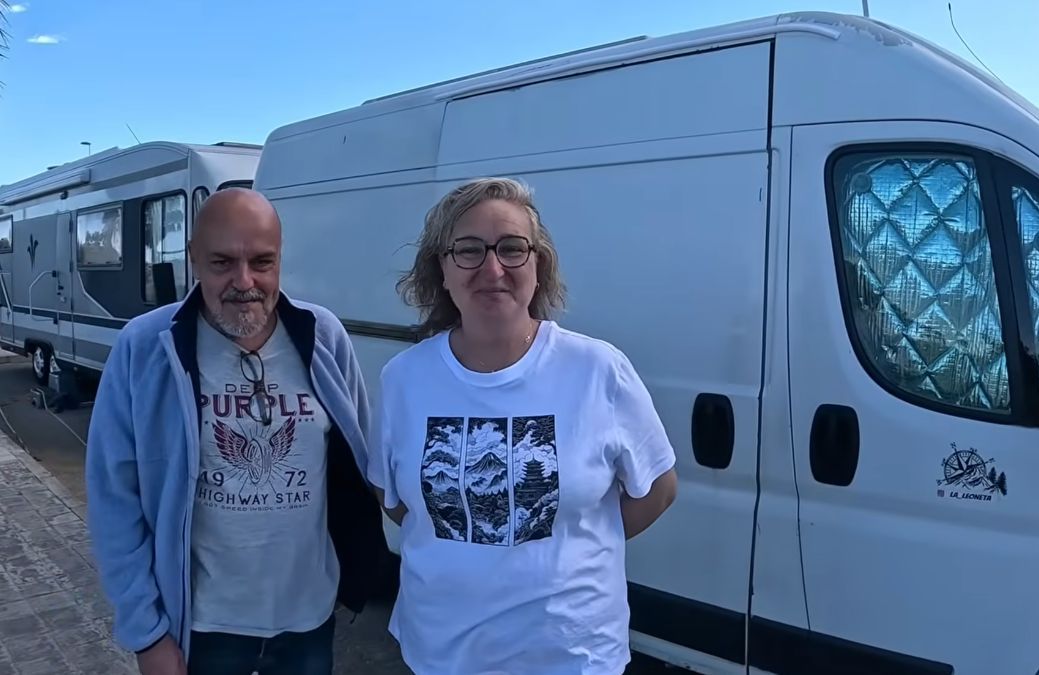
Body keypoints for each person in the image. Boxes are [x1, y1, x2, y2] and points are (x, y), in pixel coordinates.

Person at [367, 177, 679, 674]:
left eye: (512, 248)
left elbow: (658, 489)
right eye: (468, 250)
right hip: (442, 654)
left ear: (539, 265)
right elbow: (395, 500)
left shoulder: (597, 370)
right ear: (442, 269)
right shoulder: (404, 379)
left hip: (571, 657)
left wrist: (571, 548)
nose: (492, 268)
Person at [85, 187, 388, 675]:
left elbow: (362, 458)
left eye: (262, 262)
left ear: (280, 259)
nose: (244, 282)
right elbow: (113, 500)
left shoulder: (323, 335)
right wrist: (147, 633)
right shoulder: (143, 348)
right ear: (194, 260)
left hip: (309, 623)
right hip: (204, 631)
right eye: (222, 263)